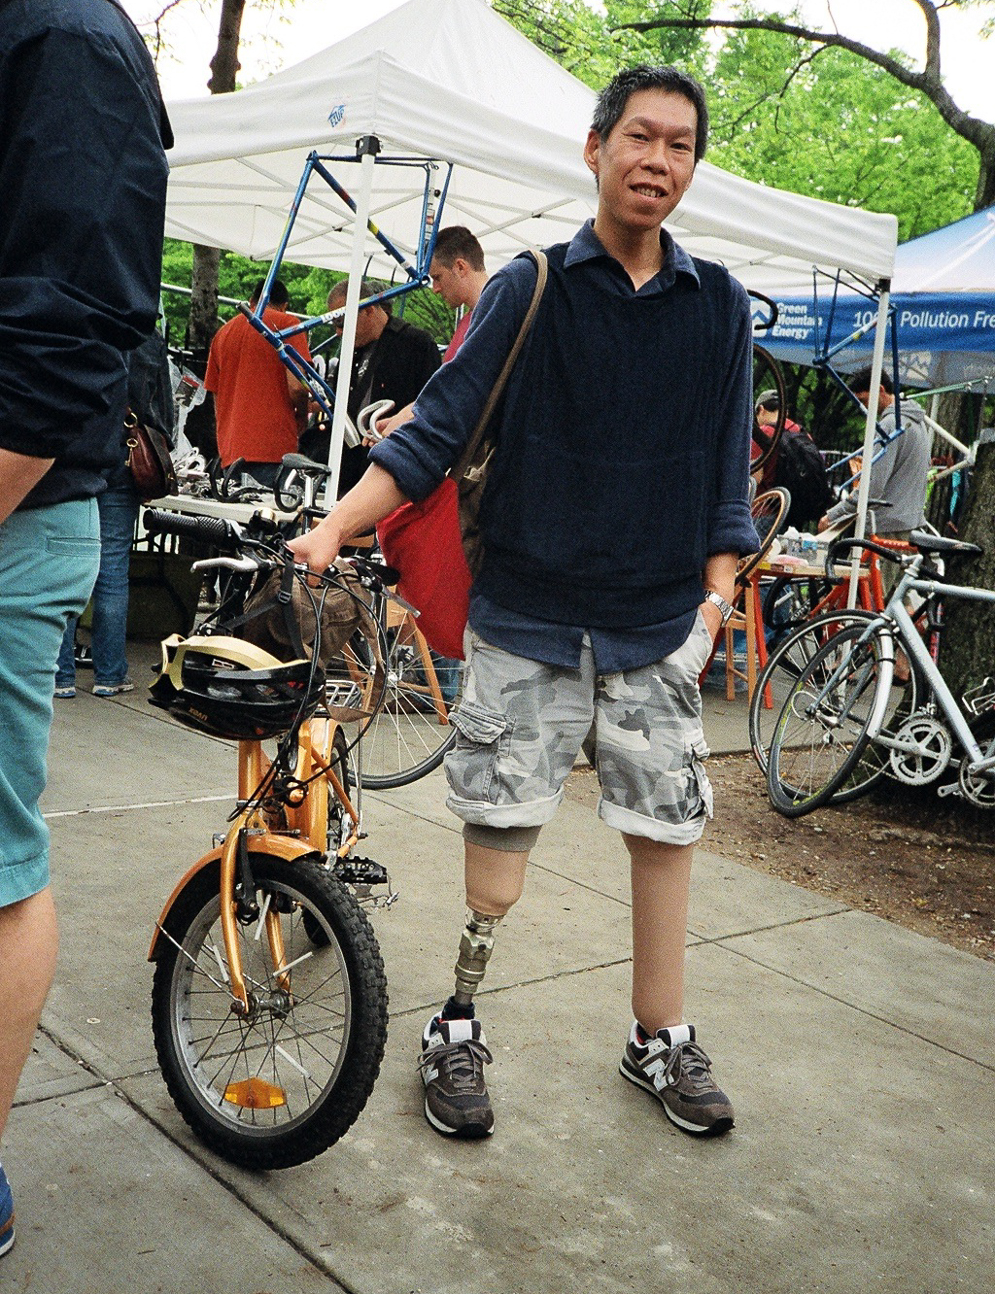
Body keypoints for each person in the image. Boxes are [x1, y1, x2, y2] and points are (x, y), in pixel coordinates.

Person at [289, 63, 758, 1143]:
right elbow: (434, 432)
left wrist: (713, 603)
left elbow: (725, 474)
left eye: (679, 145)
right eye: (638, 137)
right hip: (528, 619)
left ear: (691, 165)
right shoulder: (530, 285)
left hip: (655, 628)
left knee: (665, 835)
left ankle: (658, 1034)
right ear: (594, 149)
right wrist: (331, 528)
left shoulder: (718, 304)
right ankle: (454, 1025)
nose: (657, 161)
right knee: (497, 855)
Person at [0, 0, 171, 1259]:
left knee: (2, 869)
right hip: (41, 504)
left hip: (20, 510)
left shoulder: (64, 33)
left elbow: (61, 337)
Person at [54, 330, 175, 699]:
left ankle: (60, 676)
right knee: (112, 571)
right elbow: (163, 414)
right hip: (124, 457)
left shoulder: (80, 324)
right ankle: (109, 674)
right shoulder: (148, 337)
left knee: (67, 567)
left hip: (75, 458)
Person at [321, 278, 441, 492]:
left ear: (369, 310)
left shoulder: (417, 344)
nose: (338, 332)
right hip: (347, 468)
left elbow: (432, 406)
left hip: (393, 465)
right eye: (335, 324)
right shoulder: (349, 349)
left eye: (342, 322)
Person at [373, 226, 490, 441]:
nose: (435, 288)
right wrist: (406, 416)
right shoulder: (472, 319)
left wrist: (411, 416)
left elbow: (463, 394)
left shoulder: (493, 319)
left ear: (460, 267)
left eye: (437, 277)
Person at [204, 278, 311, 486]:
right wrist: (302, 415)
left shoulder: (223, 333)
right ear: (284, 306)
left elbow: (216, 397)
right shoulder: (288, 325)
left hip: (231, 452)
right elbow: (297, 386)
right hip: (274, 449)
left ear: (251, 301)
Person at [819, 369, 932, 542]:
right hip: (909, 524)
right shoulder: (918, 422)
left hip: (885, 526)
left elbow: (873, 485)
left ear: (880, 389)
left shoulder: (889, 425)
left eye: (864, 400)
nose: (864, 407)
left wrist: (834, 515)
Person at [754, 390, 833, 530]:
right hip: (794, 513)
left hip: (764, 511)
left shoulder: (762, 433)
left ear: (761, 409)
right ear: (786, 412)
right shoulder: (802, 433)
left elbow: (756, 478)